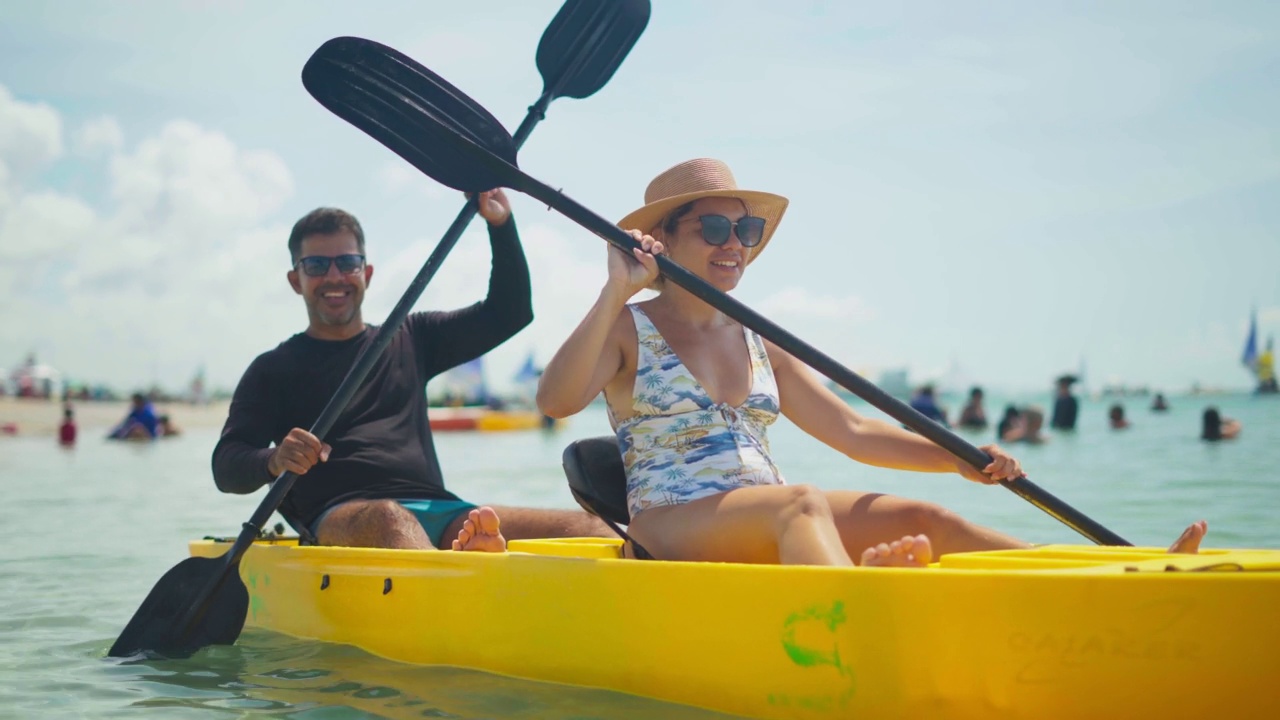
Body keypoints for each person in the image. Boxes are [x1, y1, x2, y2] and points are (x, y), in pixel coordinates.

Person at [535, 158, 1207, 568]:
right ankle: (862, 619)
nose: (735, 243)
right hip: (668, 524)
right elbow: (555, 402)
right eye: (714, 228)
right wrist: (615, 287)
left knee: (929, 518)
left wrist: (957, 458)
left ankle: (1117, 580)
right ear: (666, 239)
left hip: (758, 512)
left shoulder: (759, 337)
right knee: (799, 505)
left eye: (747, 230)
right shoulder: (629, 324)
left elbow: (852, 432)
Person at [212, 198, 608, 552]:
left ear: (365, 274)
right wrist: (274, 459)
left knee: (589, 527)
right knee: (389, 518)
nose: (334, 276)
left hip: (443, 510)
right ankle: (459, 581)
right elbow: (226, 465)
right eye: (316, 265)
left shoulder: (411, 336)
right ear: (296, 280)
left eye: (347, 263)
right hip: (341, 518)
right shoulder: (272, 368)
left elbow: (510, 312)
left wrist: (500, 226)